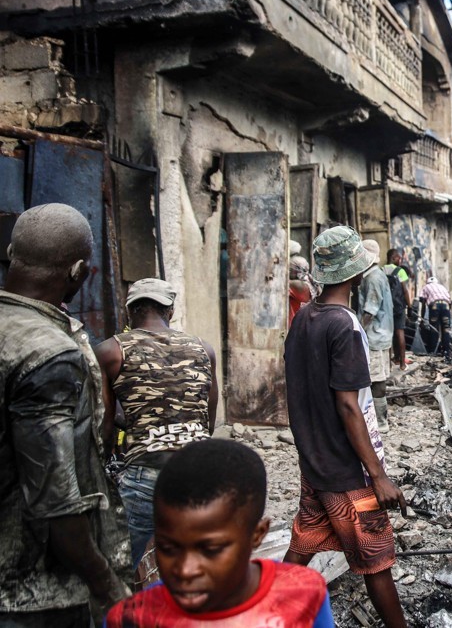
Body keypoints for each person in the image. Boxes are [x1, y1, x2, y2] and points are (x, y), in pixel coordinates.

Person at [0, 203, 131, 625]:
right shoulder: (48, 352)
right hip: (32, 592)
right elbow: (54, 498)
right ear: (77, 272)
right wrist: (106, 584)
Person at [283, 226, 408, 627]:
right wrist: (379, 475)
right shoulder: (345, 325)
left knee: (300, 550)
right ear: (355, 273)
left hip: (315, 465)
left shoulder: (304, 318)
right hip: (347, 470)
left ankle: (267, 613)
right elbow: (349, 407)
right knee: (377, 563)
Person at [104, 439, 333, 626]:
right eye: (167, 548)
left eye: (211, 550)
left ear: (257, 534)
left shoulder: (303, 594)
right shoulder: (131, 618)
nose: (185, 570)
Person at [94, 277, 218, 567]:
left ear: (129, 311)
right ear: (170, 311)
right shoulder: (203, 349)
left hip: (146, 474)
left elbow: (105, 425)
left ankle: (133, 609)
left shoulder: (111, 351)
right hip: (197, 471)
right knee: (195, 564)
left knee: (131, 564)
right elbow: (206, 422)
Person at [358, 239, 394, 433]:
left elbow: (369, 311)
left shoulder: (372, 278)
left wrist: (357, 332)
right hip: (380, 334)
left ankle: (381, 422)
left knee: (376, 379)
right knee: (375, 377)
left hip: (374, 336)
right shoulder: (376, 275)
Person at [383, 249, 412, 370]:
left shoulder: (382, 270)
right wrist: (409, 306)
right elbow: (404, 290)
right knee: (400, 333)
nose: (400, 260)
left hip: (386, 306)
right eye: (399, 258)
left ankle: (389, 364)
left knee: (388, 334)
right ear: (393, 258)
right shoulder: (400, 271)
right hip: (399, 306)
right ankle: (402, 364)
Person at [418, 275, 452, 357]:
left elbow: (423, 302)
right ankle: (446, 351)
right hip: (446, 305)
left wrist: (422, 319)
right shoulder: (442, 287)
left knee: (434, 328)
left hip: (435, 306)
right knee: (446, 329)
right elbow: (450, 300)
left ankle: (433, 351)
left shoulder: (426, 287)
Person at [289, 255, 313, 326]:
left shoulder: (295, 285)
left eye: (289, 269)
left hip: (295, 327)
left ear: (294, 271)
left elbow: (280, 285)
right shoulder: (311, 284)